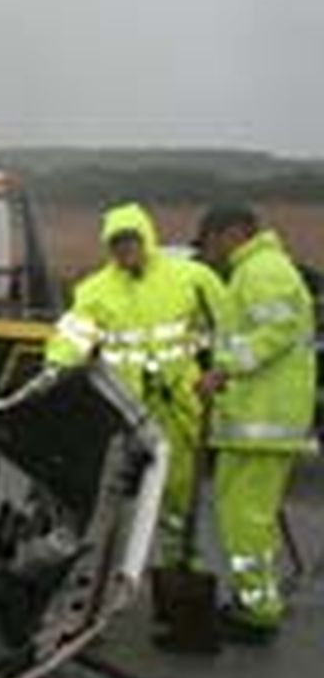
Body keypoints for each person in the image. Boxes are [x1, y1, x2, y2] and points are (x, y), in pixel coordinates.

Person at [45, 203, 227, 550]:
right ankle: (106, 565)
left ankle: (174, 562)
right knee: (113, 491)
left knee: (177, 491)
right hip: (121, 406)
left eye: (131, 240)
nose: (125, 249)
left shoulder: (191, 278)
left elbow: (228, 327)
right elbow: (73, 336)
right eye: (117, 243)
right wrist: (56, 367)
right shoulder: (94, 290)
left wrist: (221, 368)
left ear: (146, 238)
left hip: (177, 405)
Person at [195, 204, 316, 639]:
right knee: (241, 516)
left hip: (264, 420)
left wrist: (224, 370)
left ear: (233, 233)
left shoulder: (263, 269)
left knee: (246, 519)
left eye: (210, 241)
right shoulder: (255, 271)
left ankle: (258, 609)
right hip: (251, 420)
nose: (211, 252)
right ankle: (253, 598)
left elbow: (277, 332)